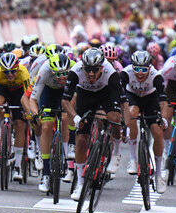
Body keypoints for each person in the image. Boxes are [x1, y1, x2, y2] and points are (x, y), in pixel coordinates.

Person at [61, 48, 126, 201]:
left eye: (95, 70)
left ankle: (116, 152)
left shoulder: (111, 74)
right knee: (81, 139)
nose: (91, 73)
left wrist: (125, 126)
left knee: (114, 118)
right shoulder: (75, 71)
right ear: (83, 67)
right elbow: (65, 101)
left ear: (101, 68)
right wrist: (76, 118)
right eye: (88, 69)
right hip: (86, 95)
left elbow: (124, 102)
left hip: (106, 93)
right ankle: (81, 183)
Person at [120, 50, 168, 193]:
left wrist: (164, 119)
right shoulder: (125, 73)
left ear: (149, 68)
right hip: (132, 96)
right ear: (132, 67)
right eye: (137, 69)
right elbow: (118, 97)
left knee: (157, 133)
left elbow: (164, 101)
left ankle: (159, 175)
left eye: (143, 69)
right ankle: (133, 159)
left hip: (150, 99)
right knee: (132, 113)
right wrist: (124, 123)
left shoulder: (156, 76)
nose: (140, 73)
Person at [28, 53, 74, 192]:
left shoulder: (75, 68)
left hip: (67, 92)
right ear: (51, 71)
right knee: (46, 127)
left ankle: (68, 152)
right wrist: (36, 115)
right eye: (58, 74)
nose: (62, 77)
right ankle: (46, 174)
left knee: (66, 118)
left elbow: (79, 95)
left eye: (64, 74)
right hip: (48, 92)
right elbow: (33, 100)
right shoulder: (44, 71)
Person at [0, 52, 30, 180]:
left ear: (17, 68)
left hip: (19, 93)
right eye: (6, 72)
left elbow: (28, 97)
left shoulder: (24, 73)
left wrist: (28, 112)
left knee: (20, 124)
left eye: (12, 71)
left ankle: (18, 166)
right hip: (2, 89)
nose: (9, 74)